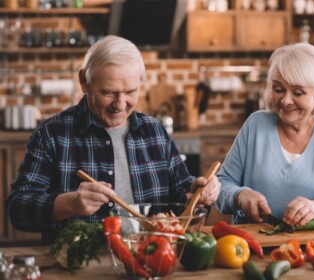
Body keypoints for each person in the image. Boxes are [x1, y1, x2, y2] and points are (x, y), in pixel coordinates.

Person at [5, 35, 220, 242]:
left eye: (130, 92)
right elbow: (18, 209)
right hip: (78, 267)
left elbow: (185, 200)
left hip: (151, 259)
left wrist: (198, 195)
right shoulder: (52, 134)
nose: (120, 104)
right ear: (84, 81)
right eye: (108, 92)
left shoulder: (154, 132)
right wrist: (68, 204)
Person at [214, 43, 314, 226]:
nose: (286, 100)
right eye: (278, 89)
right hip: (252, 247)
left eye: (298, 92)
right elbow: (221, 185)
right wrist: (240, 195)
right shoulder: (256, 125)